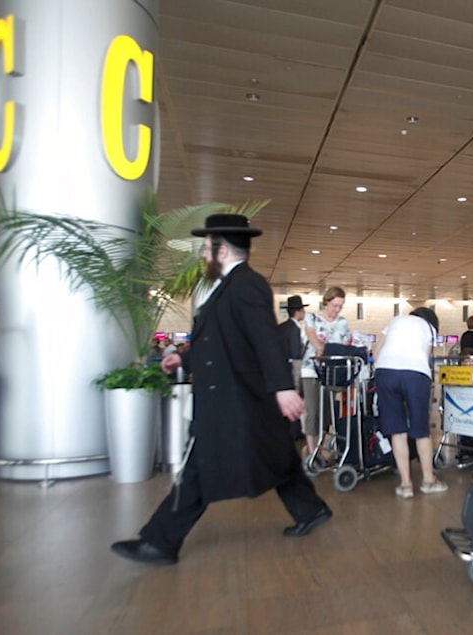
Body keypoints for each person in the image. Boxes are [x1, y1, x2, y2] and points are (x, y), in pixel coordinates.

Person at [110, 214, 331, 567]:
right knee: (276, 456)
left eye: (206, 249)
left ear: (222, 250)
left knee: (199, 466)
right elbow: (219, 342)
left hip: (237, 398)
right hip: (239, 397)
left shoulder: (247, 286)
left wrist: (282, 388)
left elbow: (265, 340)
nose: (203, 256)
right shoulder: (229, 286)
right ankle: (311, 508)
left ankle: (160, 542)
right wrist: (183, 361)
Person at [372, 307, 448, 498]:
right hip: (415, 373)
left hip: (385, 371)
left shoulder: (395, 320)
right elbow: (427, 356)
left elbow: (375, 352)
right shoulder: (429, 328)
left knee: (397, 431)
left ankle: (406, 485)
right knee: (421, 430)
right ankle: (428, 481)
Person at [301, 287, 351, 457]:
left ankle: (318, 447)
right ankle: (312, 450)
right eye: (334, 305)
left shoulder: (342, 322)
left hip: (332, 372)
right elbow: (311, 334)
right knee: (313, 411)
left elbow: (345, 344)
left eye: (340, 307)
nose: (336, 310)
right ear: (326, 301)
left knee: (327, 413)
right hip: (311, 369)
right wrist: (322, 349)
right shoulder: (312, 318)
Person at [278, 295, 307, 393]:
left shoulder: (282, 327)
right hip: (293, 367)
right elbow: (296, 353)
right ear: (298, 311)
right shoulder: (295, 329)